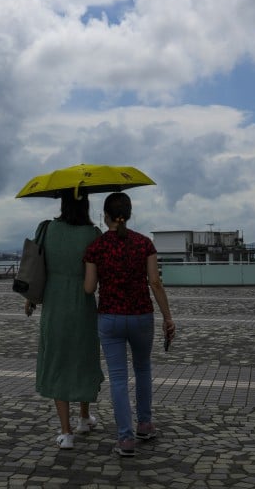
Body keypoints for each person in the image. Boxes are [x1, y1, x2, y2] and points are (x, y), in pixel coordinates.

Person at [83, 191, 175, 457]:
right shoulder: (144, 243)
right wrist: (168, 316)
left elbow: (89, 288)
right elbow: (155, 283)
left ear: (105, 216)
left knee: (119, 378)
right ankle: (145, 425)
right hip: (141, 316)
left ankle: (125, 439)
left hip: (110, 318)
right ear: (129, 214)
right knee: (143, 369)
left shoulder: (96, 247)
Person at [25, 189, 104, 450]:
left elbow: (36, 269)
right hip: (83, 303)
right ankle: (84, 418)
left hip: (54, 303)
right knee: (82, 358)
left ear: (62, 203)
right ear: (86, 205)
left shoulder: (46, 229)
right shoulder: (93, 235)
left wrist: (30, 298)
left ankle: (66, 432)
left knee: (58, 360)